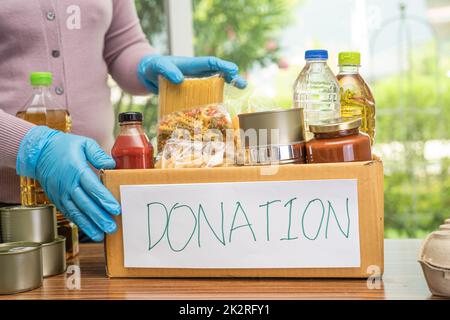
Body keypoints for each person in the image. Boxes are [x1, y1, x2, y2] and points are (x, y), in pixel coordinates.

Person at [0, 0, 246, 241]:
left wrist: (146, 65)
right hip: (10, 210)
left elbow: (121, 45)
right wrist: (34, 148)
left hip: (96, 195)